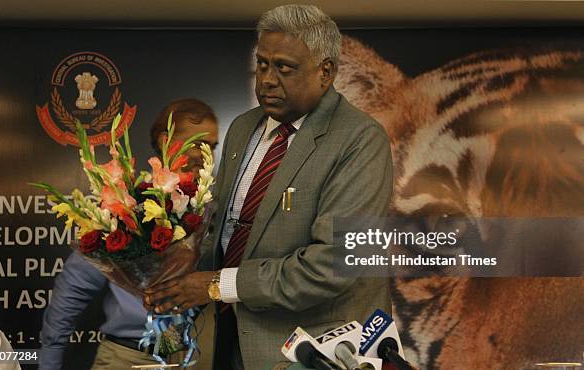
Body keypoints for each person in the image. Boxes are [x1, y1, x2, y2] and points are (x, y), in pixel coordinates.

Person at [144, 5, 393, 370]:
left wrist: (216, 284)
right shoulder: (244, 128)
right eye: (262, 65)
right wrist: (171, 278)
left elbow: (332, 265)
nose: (267, 81)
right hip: (231, 339)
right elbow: (224, 231)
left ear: (326, 72)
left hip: (313, 352)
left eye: (284, 68)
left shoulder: (360, 140)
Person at [39, 98, 219, 370]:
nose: (204, 153)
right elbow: (70, 294)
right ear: (165, 140)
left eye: (212, 146)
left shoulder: (215, 209)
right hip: (128, 358)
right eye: (196, 142)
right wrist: (49, 363)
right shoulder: (129, 205)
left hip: (192, 356)